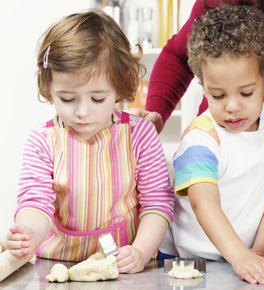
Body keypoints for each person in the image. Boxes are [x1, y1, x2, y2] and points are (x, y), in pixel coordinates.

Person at [5, 9, 175, 274]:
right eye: (67, 99)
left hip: (123, 265)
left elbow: (157, 205)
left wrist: (141, 251)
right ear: (49, 87)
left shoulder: (140, 135)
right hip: (56, 264)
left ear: (119, 86)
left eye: (98, 99)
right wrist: (28, 233)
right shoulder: (43, 140)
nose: (83, 112)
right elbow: (35, 204)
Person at [130, 0, 264, 258]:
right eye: (218, 95)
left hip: (245, 254)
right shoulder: (200, 140)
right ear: (203, 87)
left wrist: (262, 250)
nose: (232, 107)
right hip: (184, 258)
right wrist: (241, 256)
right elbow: (204, 203)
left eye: (246, 93)